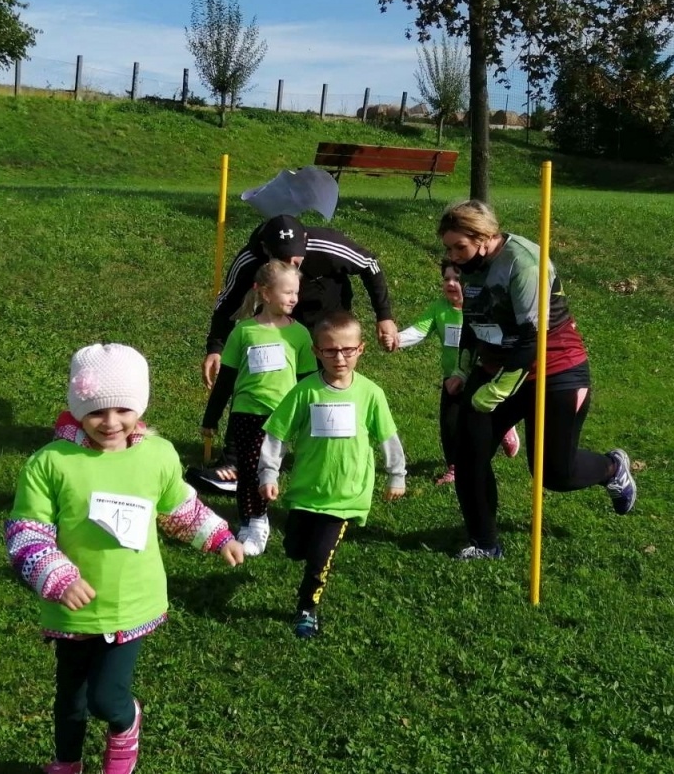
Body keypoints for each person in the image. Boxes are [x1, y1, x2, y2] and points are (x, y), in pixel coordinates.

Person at [6, 343, 244, 774]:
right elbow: (26, 530)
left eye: (122, 409)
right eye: (96, 411)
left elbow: (179, 508)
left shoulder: (157, 455)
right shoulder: (50, 463)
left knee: (105, 698)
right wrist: (55, 575)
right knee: (70, 699)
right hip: (72, 611)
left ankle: (125, 725)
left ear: (139, 405)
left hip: (131, 603)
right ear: (77, 407)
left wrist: (217, 536)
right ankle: (66, 763)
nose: (110, 422)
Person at [436, 200, 637, 561]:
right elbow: (472, 321)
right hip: (498, 364)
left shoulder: (524, 263)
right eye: (448, 248)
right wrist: (463, 372)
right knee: (469, 453)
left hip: (554, 369)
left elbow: (533, 338)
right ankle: (485, 544)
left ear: (484, 237)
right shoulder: (470, 265)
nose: (453, 256)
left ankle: (612, 468)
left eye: (458, 247)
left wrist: (495, 391)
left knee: (553, 473)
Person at [258, 311, 406, 638]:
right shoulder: (305, 391)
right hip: (306, 491)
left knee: (320, 557)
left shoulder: (370, 394)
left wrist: (397, 475)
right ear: (315, 352)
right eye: (330, 350)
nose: (339, 358)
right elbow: (277, 434)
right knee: (297, 548)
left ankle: (306, 608)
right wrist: (268, 474)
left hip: (346, 495)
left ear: (361, 349)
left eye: (347, 350)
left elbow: (387, 438)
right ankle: (305, 556)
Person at [199, 260, 316, 556]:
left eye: (296, 293)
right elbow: (226, 379)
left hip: (281, 415)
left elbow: (306, 381)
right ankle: (253, 521)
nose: (293, 298)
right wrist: (211, 417)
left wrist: (309, 415)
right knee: (249, 469)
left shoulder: (300, 334)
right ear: (265, 293)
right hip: (246, 412)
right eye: (287, 292)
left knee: (264, 468)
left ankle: (260, 517)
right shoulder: (244, 331)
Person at [202, 214, 397, 389]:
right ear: (266, 249)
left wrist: (384, 316)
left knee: (327, 384)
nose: (290, 267)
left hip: (326, 319)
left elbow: (369, 265)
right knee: (277, 384)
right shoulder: (250, 260)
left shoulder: (327, 245)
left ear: (304, 241)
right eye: (282, 260)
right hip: (278, 326)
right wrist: (215, 349)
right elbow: (227, 302)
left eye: (295, 260)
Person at [396, 259, 520, 484]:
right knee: (450, 423)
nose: (451, 284)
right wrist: (397, 339)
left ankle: (504, 427)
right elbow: (419, 331)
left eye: (457, 278)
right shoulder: (439, 308)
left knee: (481, 416)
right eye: (446, 279)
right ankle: (454, 467)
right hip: (451, 376)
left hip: (481, 375)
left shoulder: (483, 307)